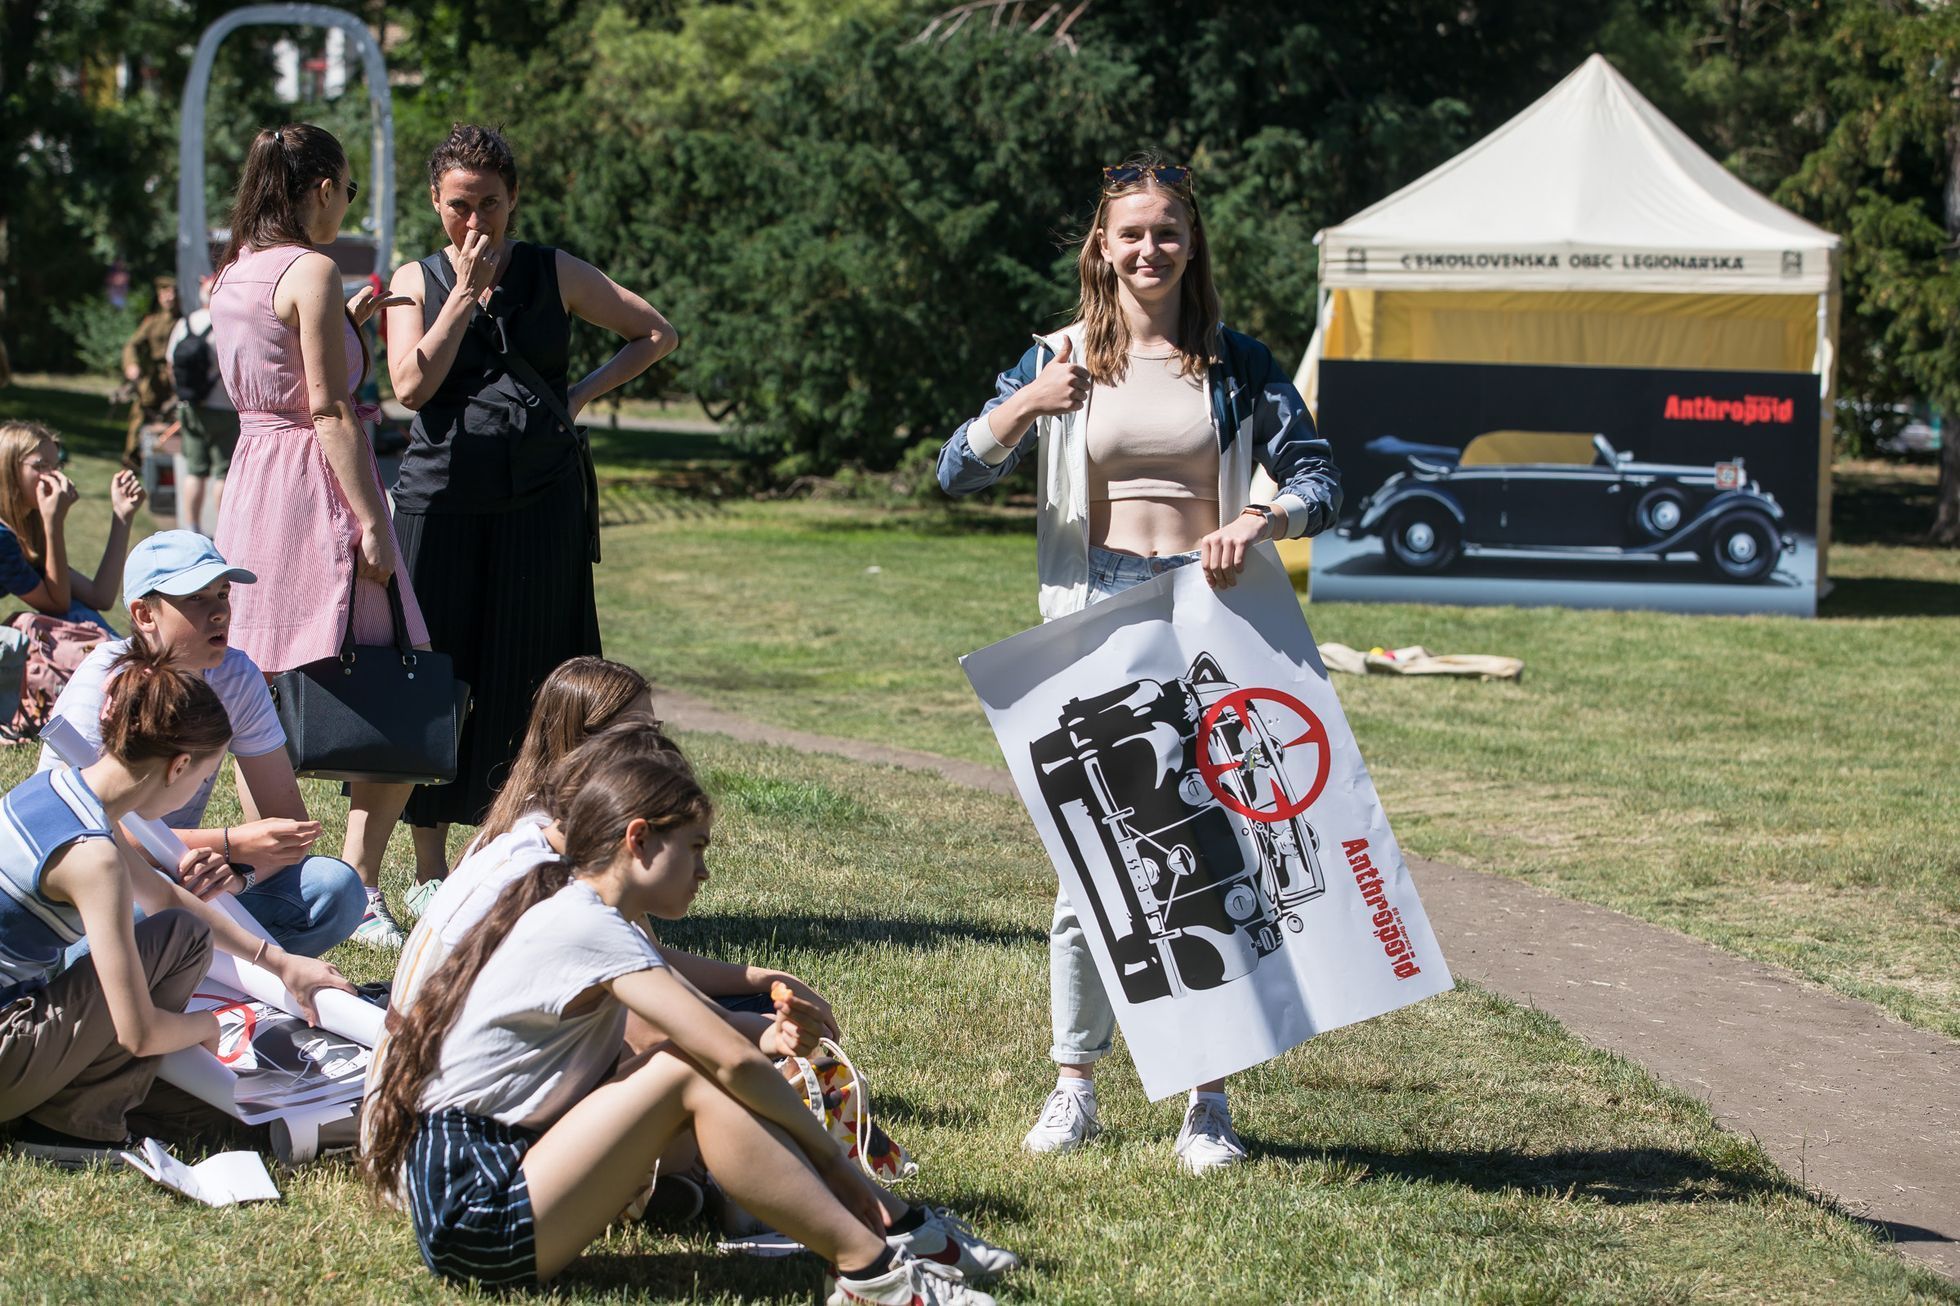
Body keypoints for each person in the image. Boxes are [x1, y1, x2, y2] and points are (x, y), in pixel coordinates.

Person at [936, 156, 1344, 1174]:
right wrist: (1028, 402)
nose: (1149, 249)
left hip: (1208, 619)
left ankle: (1208, 1101)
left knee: (1214, 858)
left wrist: (1258, 515)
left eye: (1166, 231)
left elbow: (1323, 476)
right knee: (1094, 867)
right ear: (1102, 247)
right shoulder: (1058, 356)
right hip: (1093, 617)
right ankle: (1074, 1086)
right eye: (1131, 233)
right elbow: (952, 470)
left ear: (1190, 242)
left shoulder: (1237, 362)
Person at [361, 752, 997, 1305]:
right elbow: (722, 1058)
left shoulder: (585, 912)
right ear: (639, 840)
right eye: (695, 847)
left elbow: (705, 1034)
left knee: (683, 1060)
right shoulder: (587, 925)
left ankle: (890, 1239)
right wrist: (838, 1165)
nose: (703, 871)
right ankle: (877, 1268)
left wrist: (769, 1038)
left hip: (489, 1180)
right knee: (688, 1067)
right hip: (476, 1211)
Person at [383, 123, 678, 890]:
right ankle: (426, 868)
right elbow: (409, 387)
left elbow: (656, 333)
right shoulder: (412, 280)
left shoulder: (553, 271)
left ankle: (514, 856)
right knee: (435, 678)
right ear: (433, 201)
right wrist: (465, 299)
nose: (474, 221)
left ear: (514, 198)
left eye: (489, 203)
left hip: (539, 502)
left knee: (534, 679)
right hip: (440, 502)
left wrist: (574, 396)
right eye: (458, 205)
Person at [206, 123, 431, 948]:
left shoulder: (232, 273)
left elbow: (276, 368)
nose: (347, 203)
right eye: (345, 187)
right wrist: (373, 519)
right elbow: (330, 410)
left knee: (254, 682)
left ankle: (284, 865)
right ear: (320, 188)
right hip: (315, 485)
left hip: (254, 483)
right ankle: (358, 882)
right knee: (396, 670)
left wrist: (348, 326)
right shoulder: (313, 268)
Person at [0, 642, 353, 1166]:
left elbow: (166, 896)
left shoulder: (54, 789)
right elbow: (137, 1031)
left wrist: (279, 962)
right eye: (203, 775)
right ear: (178, 764)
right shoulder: (92, 856)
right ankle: (72, 1127)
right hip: (10, 1055)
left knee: (181, 936)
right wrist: (208, 1028)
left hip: (20, 1032)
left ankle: (72, 1108)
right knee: (183, 958)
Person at [36, 531, 366, 957]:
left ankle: (207, 985)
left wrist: (235, 875)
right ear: (144, 614)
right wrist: (229, 845)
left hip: (191, 882)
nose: (219, 612)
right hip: (100, 890)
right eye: (195, 598)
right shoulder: (101, 684)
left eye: (223, 594)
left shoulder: (237, 676)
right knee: (134, 924)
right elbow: (66, 835)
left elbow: (287, 828)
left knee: (335, 889)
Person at [0, 420, 143, 635]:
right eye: (40, 466)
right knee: (74, 616)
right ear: (7, 469)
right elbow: (58, 605)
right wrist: (53, 522)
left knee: (80, 613)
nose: (55, 477)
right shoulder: (3, 538)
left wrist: (122, 516)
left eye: (57, 467)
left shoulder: (24, 532)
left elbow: (99, 597)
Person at [165, 274, 239, 534]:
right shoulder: (229, 323)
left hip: (191, 407)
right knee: (223, 473)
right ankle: (222, 532)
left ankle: (192, 528)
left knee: (195, 471)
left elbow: (170, 365)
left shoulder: (185, 324)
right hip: (225, 408)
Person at [119, 276, 181, 469]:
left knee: (175, 419)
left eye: (172, 293)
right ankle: (132, 458)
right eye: (164, 293)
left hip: (176, 377)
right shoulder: (152, 322)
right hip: (153, 379)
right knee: (139, 414)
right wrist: (131, 365)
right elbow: (132, 345)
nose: (168, 298)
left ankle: (169, 461)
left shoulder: (184, 320)